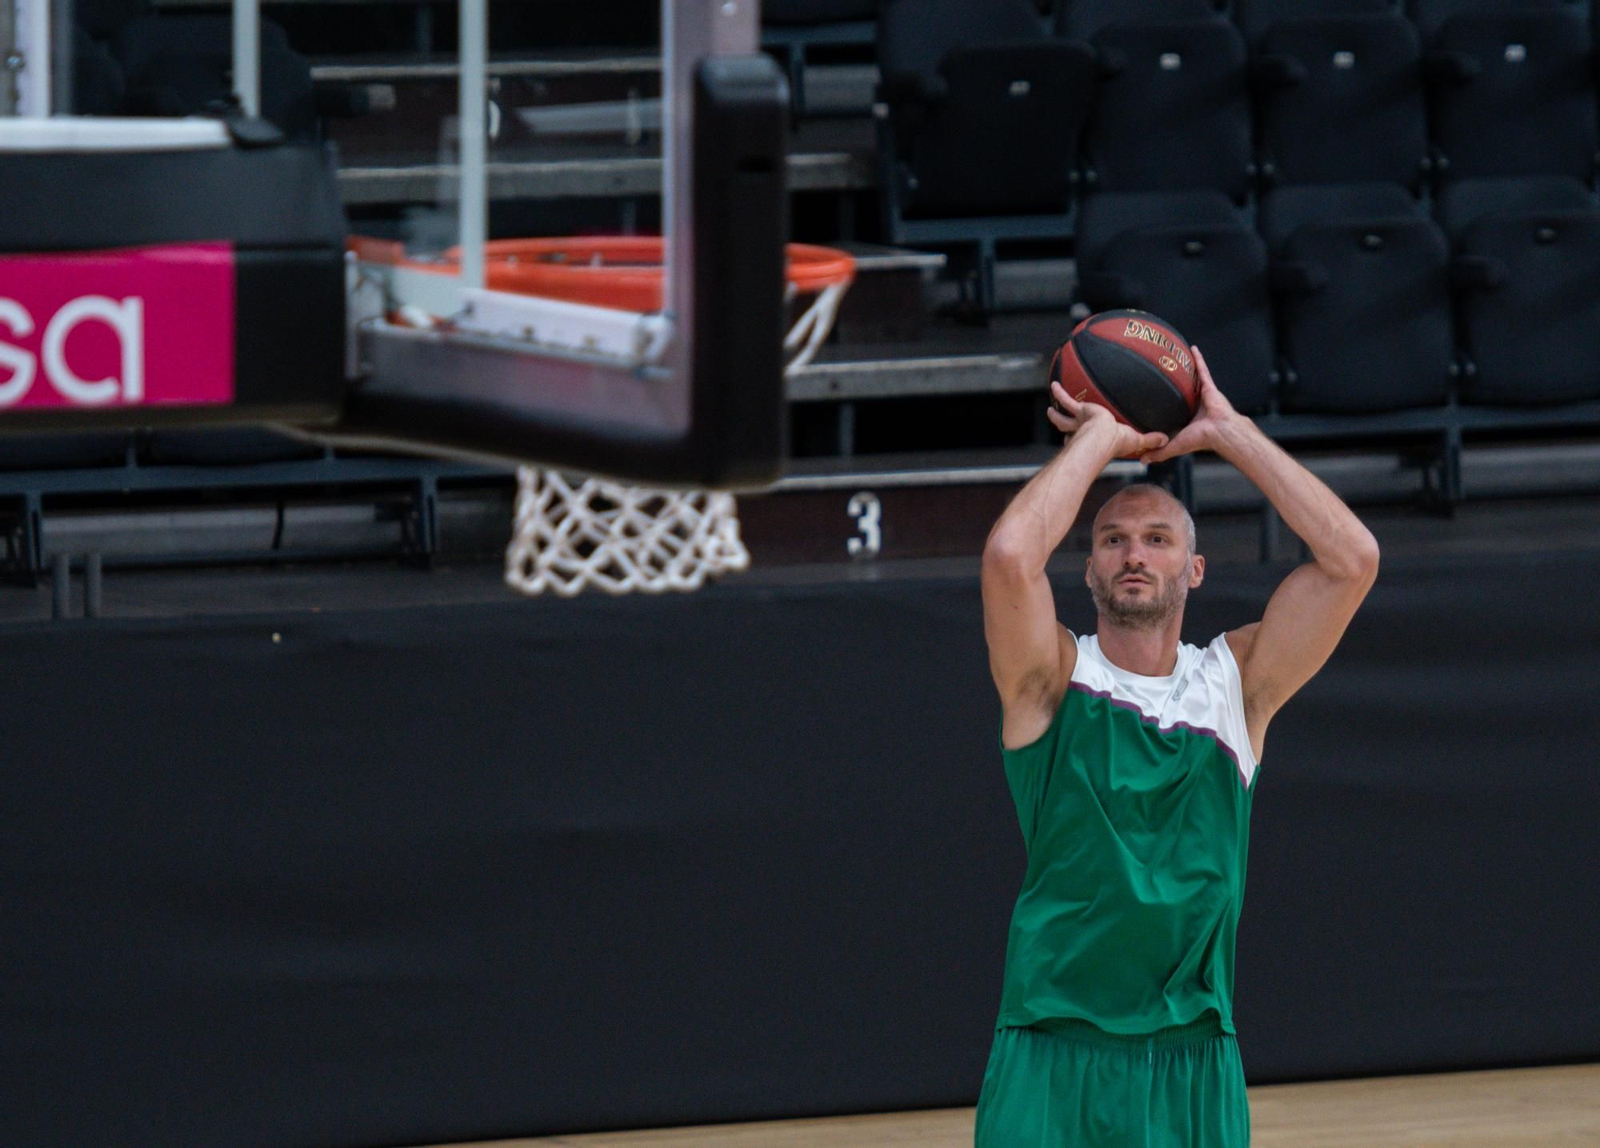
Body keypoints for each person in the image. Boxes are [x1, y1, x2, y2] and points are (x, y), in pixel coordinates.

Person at [975, 348, 1379, 1147]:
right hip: (1052, 1047)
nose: (1134, 554)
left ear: (1194, 570)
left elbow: (1353, 560)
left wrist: (1230, 432)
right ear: (1088, 570)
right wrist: (1098, 440)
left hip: (1193, 1056)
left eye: (1157, 539)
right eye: (1113, 540)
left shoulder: (1237, 685)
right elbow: (1010, 558)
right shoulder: (1049, 679)